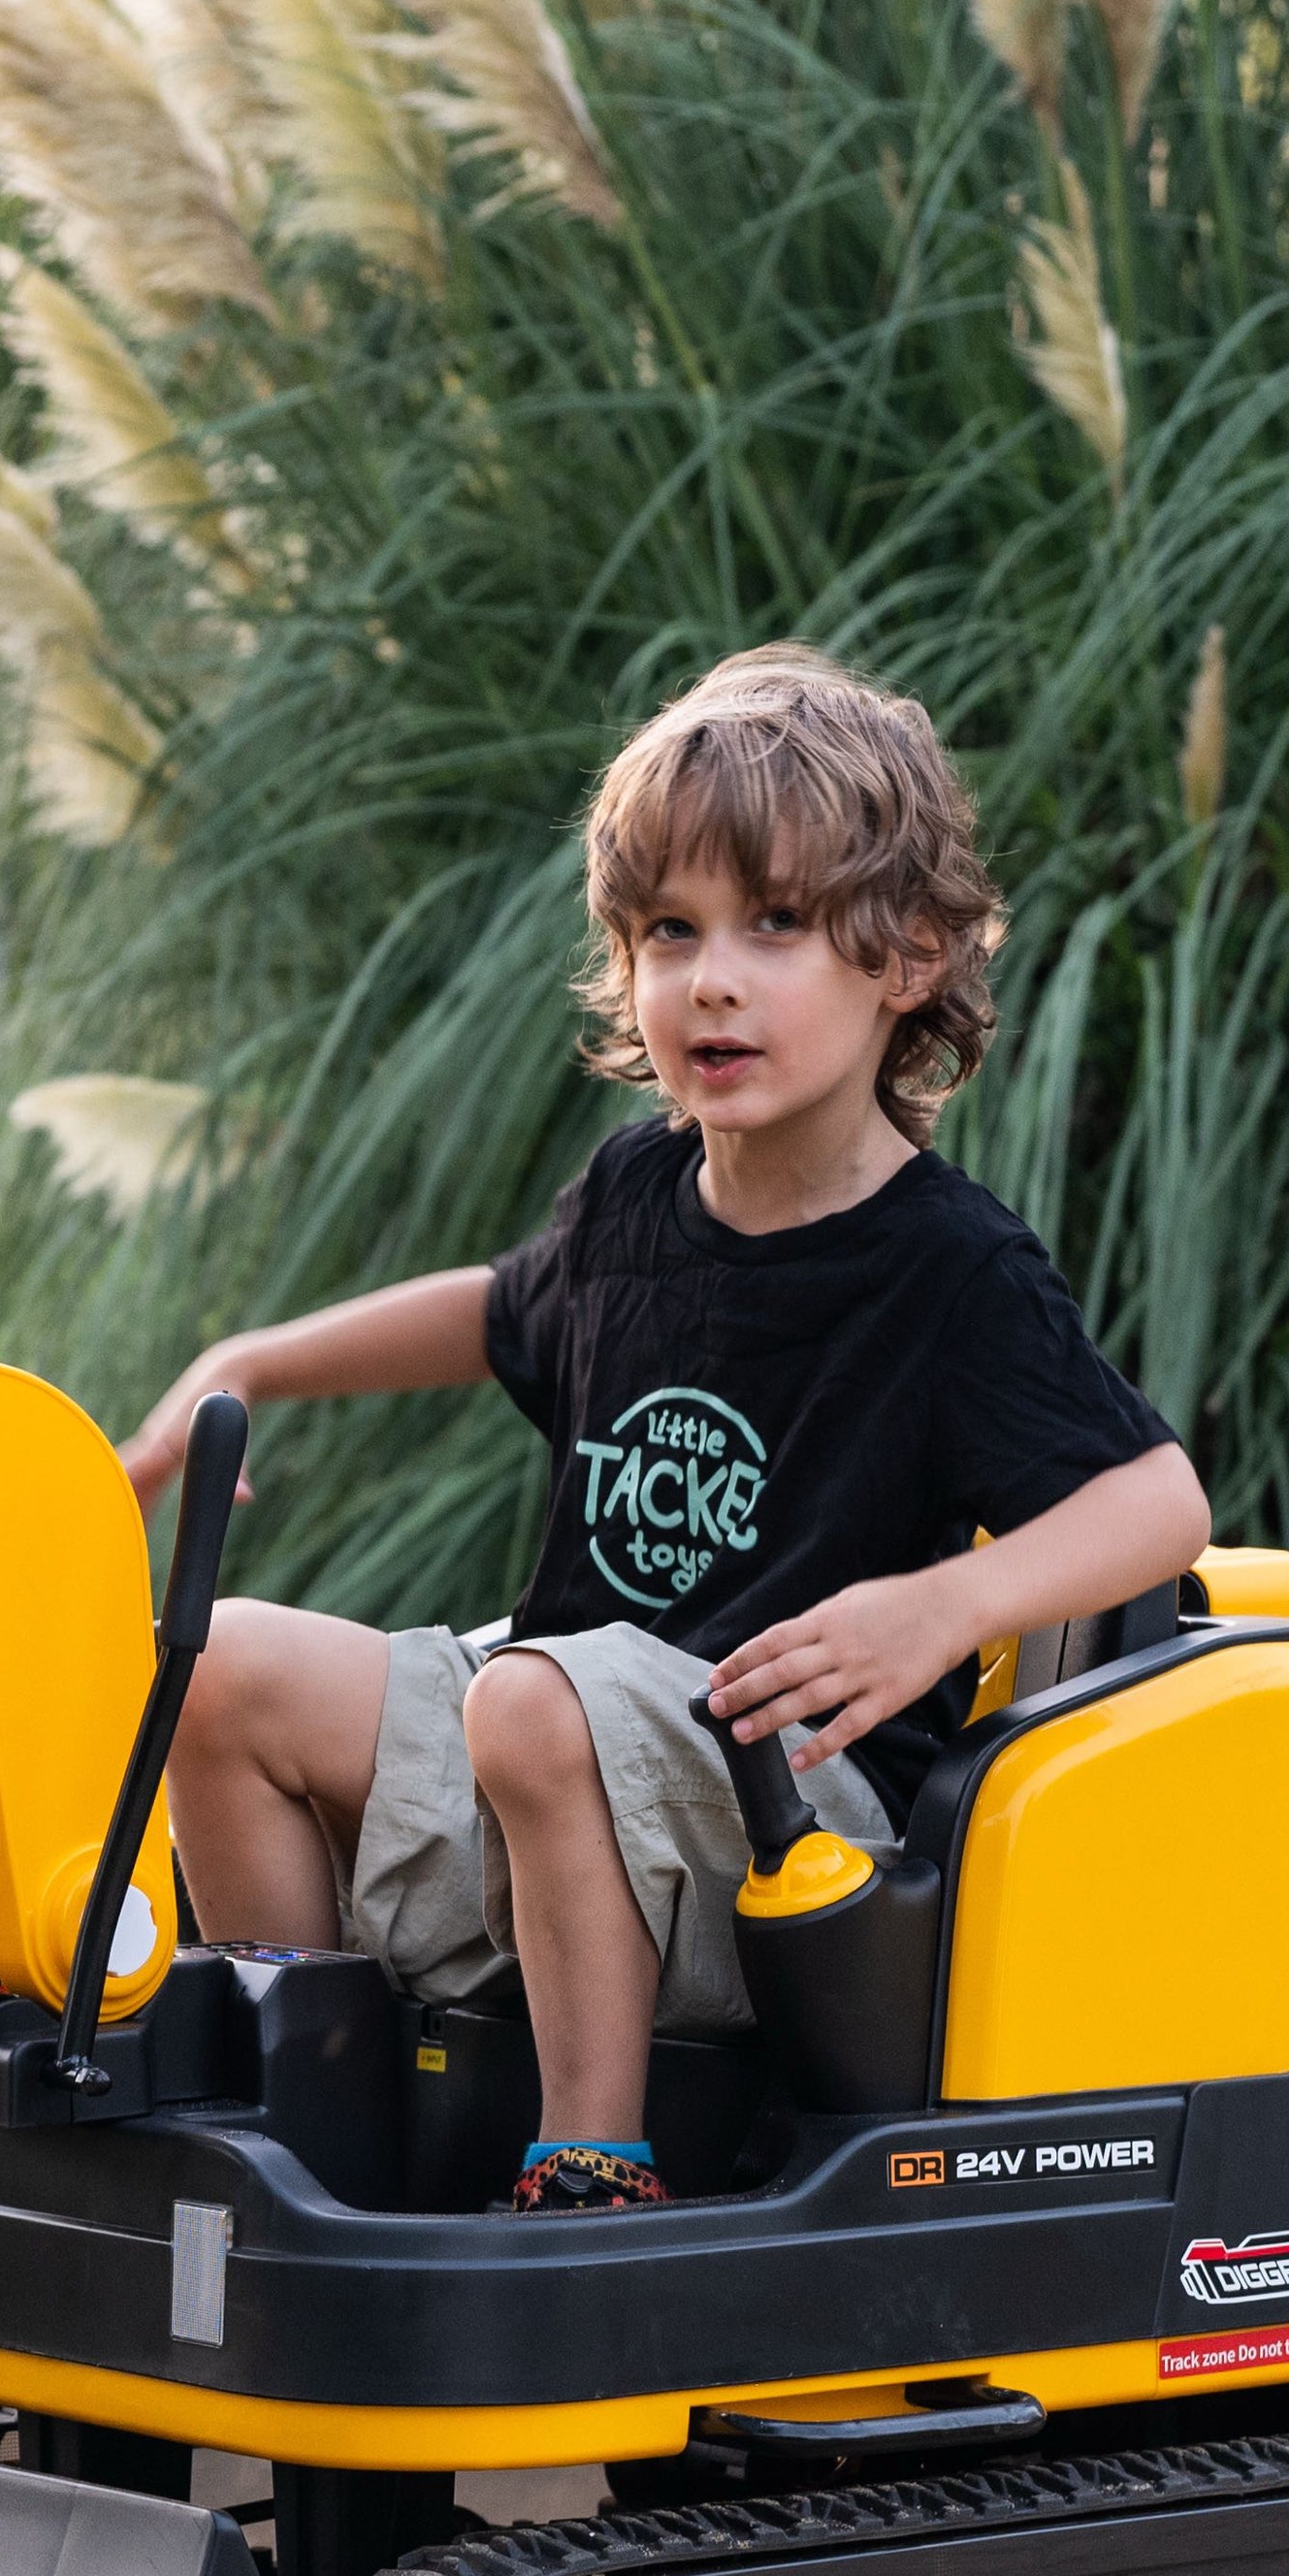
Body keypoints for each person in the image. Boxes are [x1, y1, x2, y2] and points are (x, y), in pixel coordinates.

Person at [115, 644, 1211, 2213]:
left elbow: (1159, 1499)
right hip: (551, 1744)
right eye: (668, 931)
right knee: (216, 1667)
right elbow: (503, 1305)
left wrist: (943, 1606)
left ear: (905, 960)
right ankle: (311, 2121)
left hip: (790, 1831)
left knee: (538, 1699)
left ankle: (591, 2164)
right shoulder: (640, 1193)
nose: (712, 977)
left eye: (775, 927)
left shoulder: (949, 1268)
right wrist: (256, 1360)